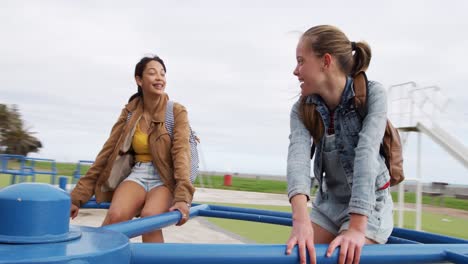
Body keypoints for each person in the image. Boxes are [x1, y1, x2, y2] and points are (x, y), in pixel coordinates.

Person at [285, 25, 393, 264]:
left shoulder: (372, 94)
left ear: (326, 61)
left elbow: (366, 153)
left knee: (342, 258)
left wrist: (356, 228)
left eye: (301, 61)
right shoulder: (302, 109)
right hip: (329, 204)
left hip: (369, 206)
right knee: (298, 255)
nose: (295, 70)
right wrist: (301, 223)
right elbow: (298, 159)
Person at [70, 55, 195, 243]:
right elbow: (106, 154)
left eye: (162, 73)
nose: (159, 78)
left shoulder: (176, 111)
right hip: (138, 173)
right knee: (116, 215)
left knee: (150, 218)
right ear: (139, 80)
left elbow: (181, 154)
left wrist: (182, 197)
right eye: (152, 73)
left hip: (166, 178)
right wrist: (77, 197)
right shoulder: (130, 113)